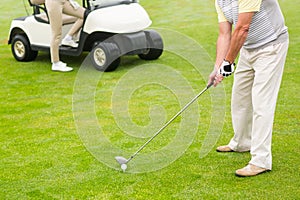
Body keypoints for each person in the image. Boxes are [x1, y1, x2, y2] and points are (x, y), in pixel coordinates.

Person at [208, 0, 289, 177]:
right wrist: (218, 67)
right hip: (247, 48)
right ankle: (242, 142)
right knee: (240, 98)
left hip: (271, 46)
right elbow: (224, 34)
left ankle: (261, 160)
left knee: (261, 103)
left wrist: (228, 62)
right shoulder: (219, 1)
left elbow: (243, 28)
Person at [44, 0, 86, 72]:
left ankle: (68, 38)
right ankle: (56, 63)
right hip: (54, 3)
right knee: (57, 33)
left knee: (85, 15)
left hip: (65, 1)